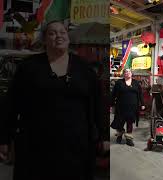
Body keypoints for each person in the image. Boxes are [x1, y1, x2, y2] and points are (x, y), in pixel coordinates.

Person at [0, 20, 109, 180]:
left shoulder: (84, 70)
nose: (59, 36)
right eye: (52, 33)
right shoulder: (28, 67)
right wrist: (4, 139)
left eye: (63, 32)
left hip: (76, 148)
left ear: (68, 38)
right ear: (44, 40)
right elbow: (11, 104)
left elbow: (98, 105)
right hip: (35, 147)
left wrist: (104, 136)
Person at [111, 68, 145, 146]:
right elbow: (113, 94)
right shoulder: (119, 83)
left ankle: (129, 139)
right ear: (124, 74)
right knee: (120, 122)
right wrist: (112, 104)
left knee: (130, 123)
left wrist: (142, 104)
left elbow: (140, 95)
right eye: (126, 72)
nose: (128, 73)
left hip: (132, 107)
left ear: (131, 73)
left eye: (129, 71)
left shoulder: (136, 83)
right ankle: (119, 135)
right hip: (121, 107)